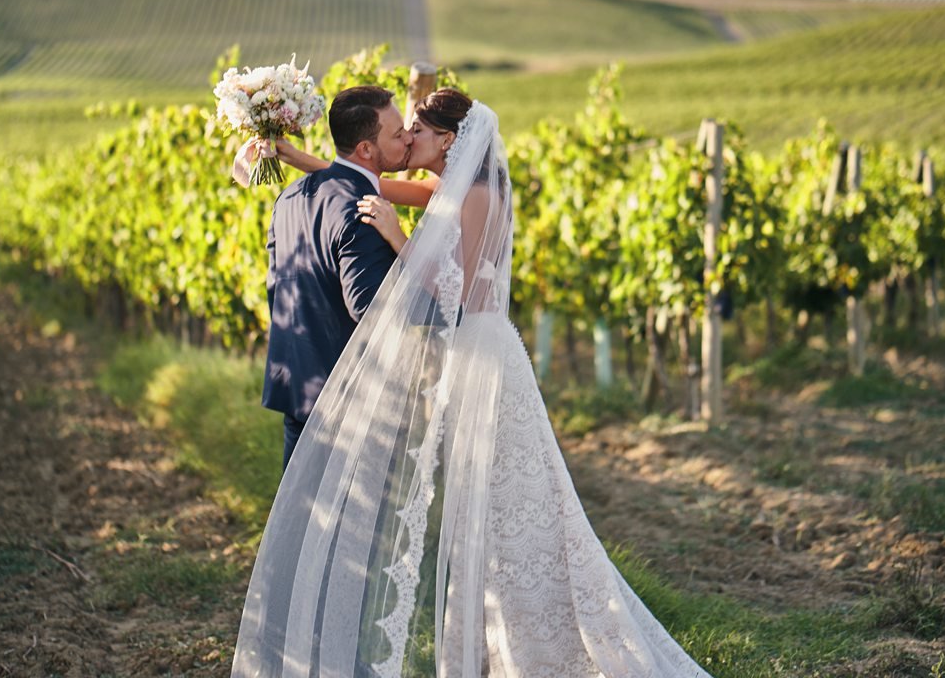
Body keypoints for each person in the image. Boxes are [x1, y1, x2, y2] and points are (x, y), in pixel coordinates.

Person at [235, 89, 714, 677]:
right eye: (401, 130)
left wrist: (395, 237)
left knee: (509, 504)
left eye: (417, 130)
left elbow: (455, 296)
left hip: (483, 357)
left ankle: (538, 638)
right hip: (462, 358)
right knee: (476, 513)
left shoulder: (479, 196)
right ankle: (488, 644)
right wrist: (289, 155)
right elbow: (358, 182)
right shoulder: (447, 189)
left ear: (449, 141)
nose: (408, 139)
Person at [262, 85, 426, 470]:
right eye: (397, 132)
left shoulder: (289, 198)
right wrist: (442, 305)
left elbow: (278, 289)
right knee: (350, 530)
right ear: (366, 150)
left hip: (296, 383)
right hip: (348, 398)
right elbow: (369, 306)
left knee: (299, 524)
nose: (407, 138)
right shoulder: (365, 209)